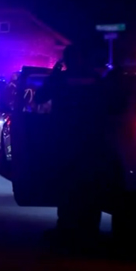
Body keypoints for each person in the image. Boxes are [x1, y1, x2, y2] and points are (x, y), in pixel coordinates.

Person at [34, 44, 107, 249]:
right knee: (90, 188)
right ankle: (90, 230)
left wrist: (54, 74)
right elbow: (109, 105)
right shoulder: (97, 80)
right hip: (91, 142)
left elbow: (40, 97)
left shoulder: (59, 80)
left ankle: (66, 228)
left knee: (67, 187)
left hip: (64, 141)